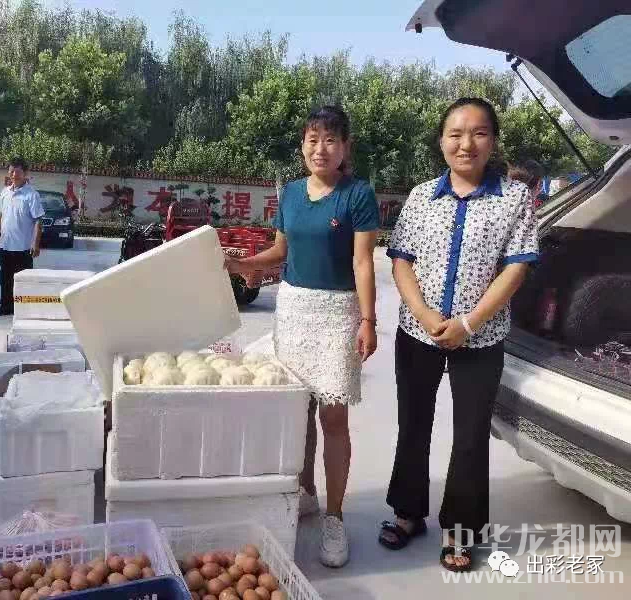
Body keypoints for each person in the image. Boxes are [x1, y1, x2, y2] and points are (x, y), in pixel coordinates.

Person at [377, 98, 539, 572]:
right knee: (413, 423)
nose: (466, 144)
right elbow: (401, 260)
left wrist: (469, 323)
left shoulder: (514, 198)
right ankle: (408, 512)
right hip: (418, 331)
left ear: (493, 140)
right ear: (442, 141)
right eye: (455, 133)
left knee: (470, 434)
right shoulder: (422, 195)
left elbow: (515, 269)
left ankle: (461, 530)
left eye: (479, 133)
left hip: (481, 337)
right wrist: (425, 314)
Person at [226, 105, 380, 568]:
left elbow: (362, 263)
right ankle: (306, 492)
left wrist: (368, 320)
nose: (321, 149)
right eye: (313, 139)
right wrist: (241, 264)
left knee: (333, 417)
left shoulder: (358, 194)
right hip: (293, 311)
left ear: (345, 147)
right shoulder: (291, 193)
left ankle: (335, 516)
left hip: (337, 313)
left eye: (330, 140)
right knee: (298, 411)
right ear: (303, 146)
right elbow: (280, 251)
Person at [0, 157, 44, 317]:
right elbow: (0, 216)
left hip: (23, 247)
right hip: (5, 245)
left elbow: (38, 220)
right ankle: (5, 307)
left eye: (18, 172)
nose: (14, 175)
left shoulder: (31, 195)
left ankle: (24, 310)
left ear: (25, 173)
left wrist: (35, 243)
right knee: (5, 278)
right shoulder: (5, 192)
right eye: (11, 171)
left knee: (24, 281)